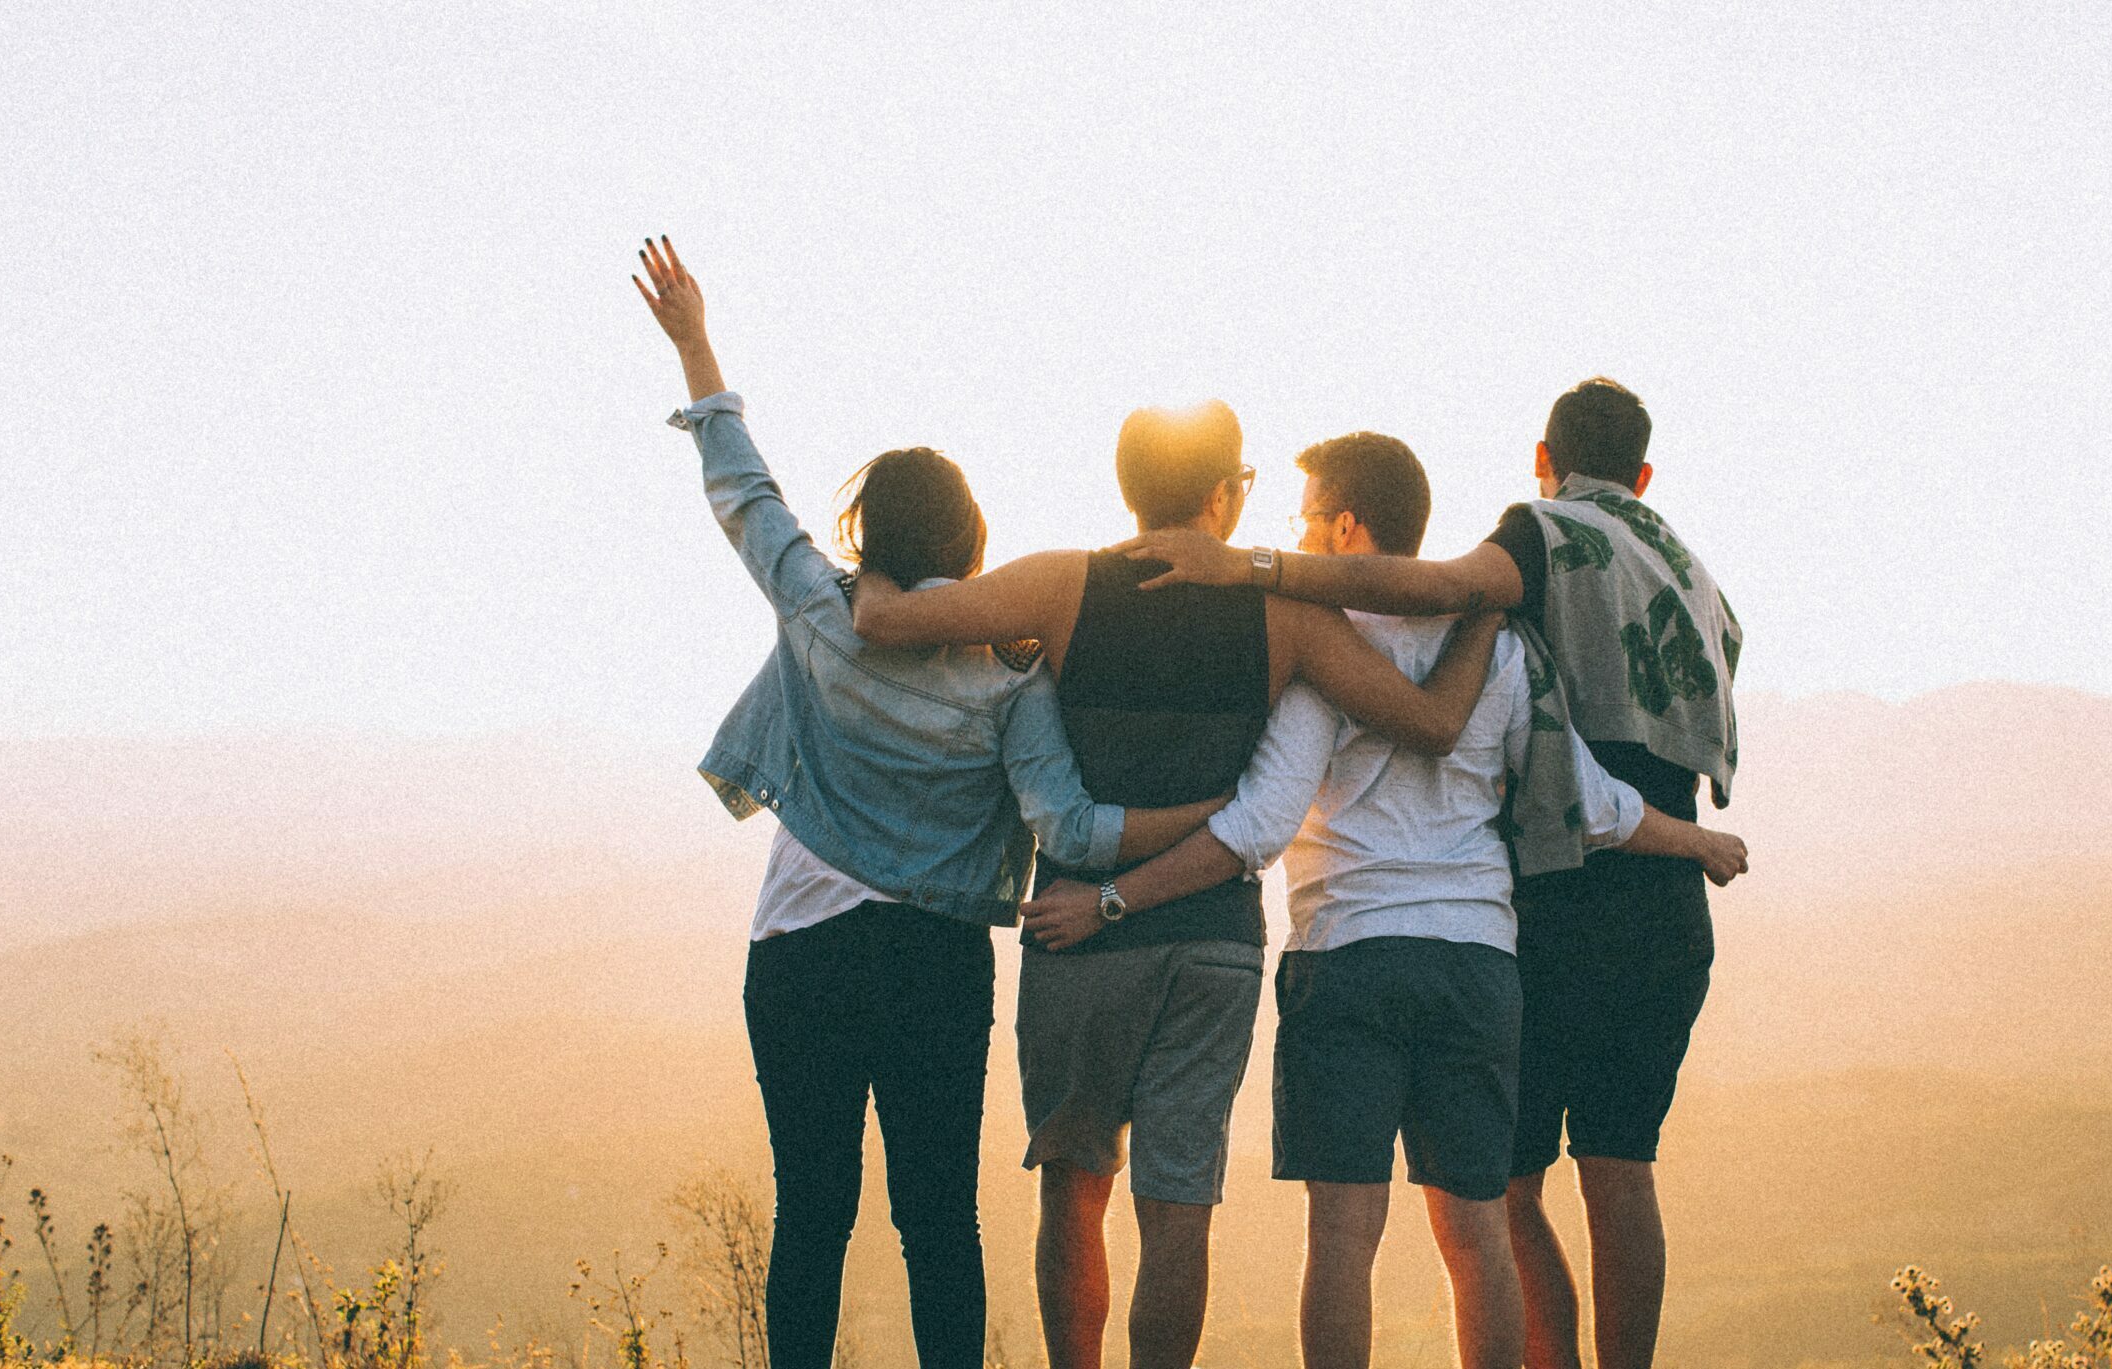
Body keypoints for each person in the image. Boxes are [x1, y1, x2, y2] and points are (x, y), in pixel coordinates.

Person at [1026, 431, 1747, 1369]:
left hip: (1348, 955)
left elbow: (1257, 826)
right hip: (1479, 964)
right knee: (1477, 1229)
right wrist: (1697, 841)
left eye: (1308, 516)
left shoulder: (1324, 650)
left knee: (1343, 1233)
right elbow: (1594, 805)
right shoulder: (1500, 646)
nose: (1297, 533)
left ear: (1346, 526)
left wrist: (1112, 900)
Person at [634, 238, 1228, 1369]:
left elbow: (744, 493)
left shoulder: (819, 608)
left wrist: (695, 342)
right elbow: (1072, 832)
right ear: (970, 539)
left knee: (812, 1214)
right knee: (936, 1224)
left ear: (868, 534)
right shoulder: (1010, 672)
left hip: (799, 950)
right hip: (934, 963)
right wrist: (1213, 813)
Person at [847, 407, 1503, 1369]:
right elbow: (1429, 720)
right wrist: (1488, 606)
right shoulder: (1288, 617)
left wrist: (864, 563)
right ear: (1224, 494)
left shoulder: (1063, 583)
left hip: (1078, 932)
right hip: (1216, 943)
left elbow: (885, 620)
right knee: (1178, 1200)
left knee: (1073, 1183)